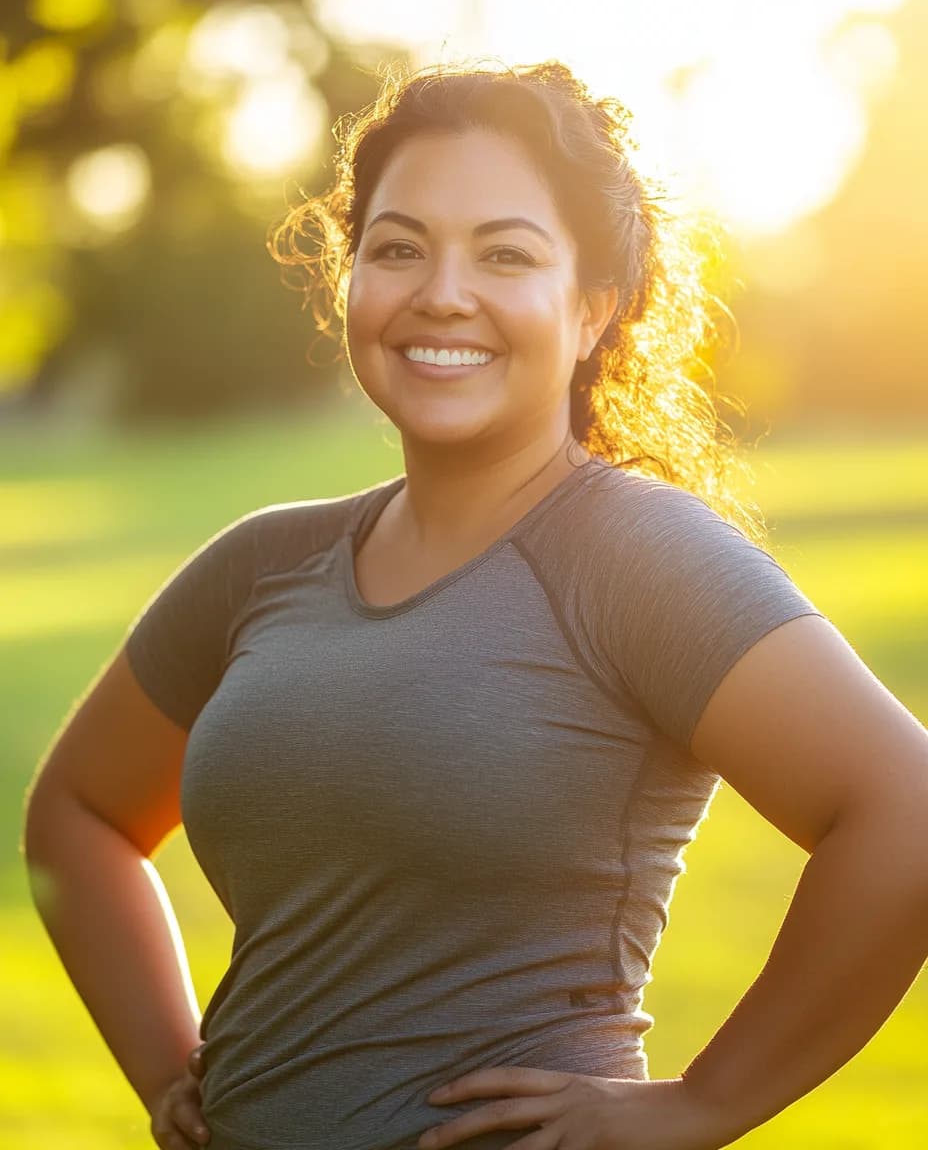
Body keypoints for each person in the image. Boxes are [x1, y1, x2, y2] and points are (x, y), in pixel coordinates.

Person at [22, 60, 928, 1150]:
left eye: (505, 253)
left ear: (593, 309)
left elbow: (904, 810)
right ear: (347, 278)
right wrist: (167, 1066)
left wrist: (708, 1099)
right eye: (398, 247)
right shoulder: (259, 565)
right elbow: (76, 816)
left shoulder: (632, 554)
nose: (441, 291)